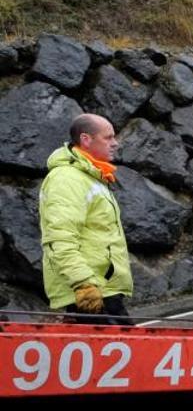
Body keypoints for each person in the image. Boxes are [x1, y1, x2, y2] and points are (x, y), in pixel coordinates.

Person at [38, 113, 133, 324]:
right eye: (108, 138)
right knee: (129, 352)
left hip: (101, 290)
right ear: (86, 139)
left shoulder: (90, 177)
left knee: (130, 351)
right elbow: (59, 238)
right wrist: (83, 283)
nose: (115, 143)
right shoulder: (67, 180)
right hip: (88, 293)